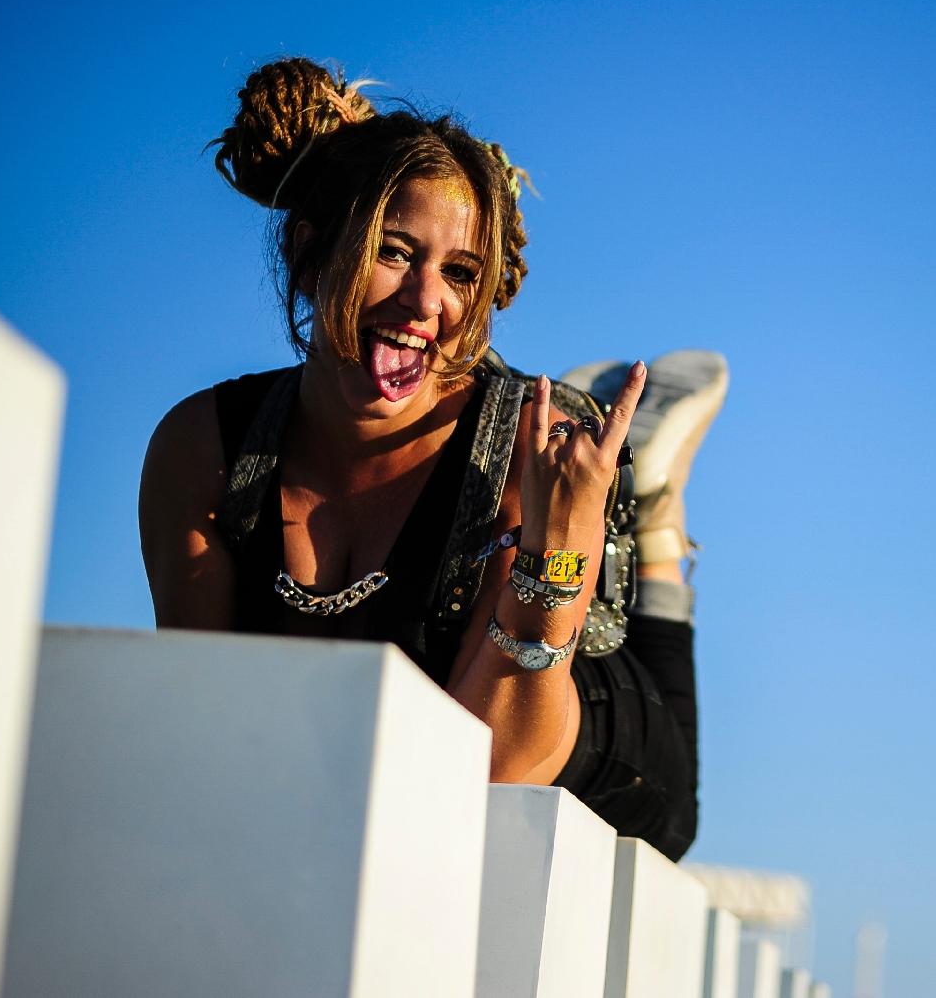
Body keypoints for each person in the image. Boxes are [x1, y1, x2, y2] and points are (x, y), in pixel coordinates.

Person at [138, 58, 724, 859]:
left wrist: (557, 555)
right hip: (367, 759)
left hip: (546, 698)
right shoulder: (206, 447)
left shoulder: (524, 452)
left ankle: (648, 503)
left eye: (459, 273)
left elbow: (499, 763)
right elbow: (201, 718)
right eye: (393, 251)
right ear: (312, 254)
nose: (425, 302)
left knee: (672, 826)